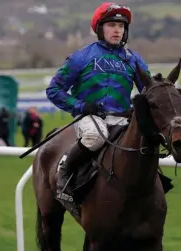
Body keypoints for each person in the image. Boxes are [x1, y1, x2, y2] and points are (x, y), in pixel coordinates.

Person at [46, 2, 151, 199]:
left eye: (121, 26)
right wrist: (81, 105)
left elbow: (148, 91)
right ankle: (65, 173)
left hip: (121, 118)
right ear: (100, 29)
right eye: (112, 25)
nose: (117, 30)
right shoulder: (80, 57)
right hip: (89, 117)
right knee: (96, 137)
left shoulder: (134, 60)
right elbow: (54, 90)